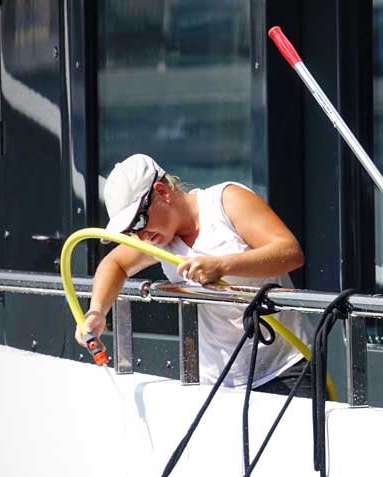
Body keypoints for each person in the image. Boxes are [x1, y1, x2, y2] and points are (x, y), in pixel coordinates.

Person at [76, 154, 313, 393]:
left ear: (162, 192)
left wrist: (222, 266)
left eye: (138, 222)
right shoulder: (158, 240)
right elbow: (114, 264)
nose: (139, 236)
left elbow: (290, 252)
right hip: (217, 380)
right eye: (129, 231)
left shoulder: (225, 202)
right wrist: (97, 311)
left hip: (285, 368)